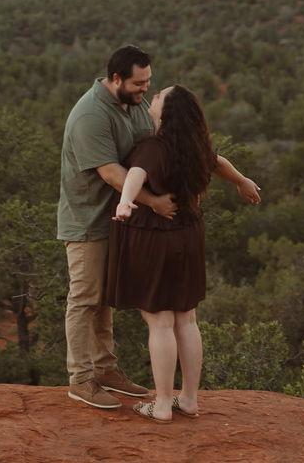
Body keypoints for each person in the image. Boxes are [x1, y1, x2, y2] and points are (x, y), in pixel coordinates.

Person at [107, 83, 261, 422]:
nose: (155, 97)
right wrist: (242, 181)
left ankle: (162, 404)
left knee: (160, 320)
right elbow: (218, 162)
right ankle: (189, 398)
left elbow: (135, 174)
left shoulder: (154, 146)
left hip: (157, 236)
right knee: (186, 317)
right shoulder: (194, 147)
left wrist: (126, 201)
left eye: (160, 95)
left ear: (167, 111)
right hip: (189, 235)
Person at [58, 45, 178, 409]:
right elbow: (111, 173)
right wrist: (154, 201)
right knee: (84, 298)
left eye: (148, 83)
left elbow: (153, 144)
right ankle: (80, 379)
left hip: (118, 219)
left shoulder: (135, 103)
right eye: (139, 83)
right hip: (86, 220)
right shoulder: (90, 116)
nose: (145, 90)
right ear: (115, 79)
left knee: (104, 299)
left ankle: (106, 370)